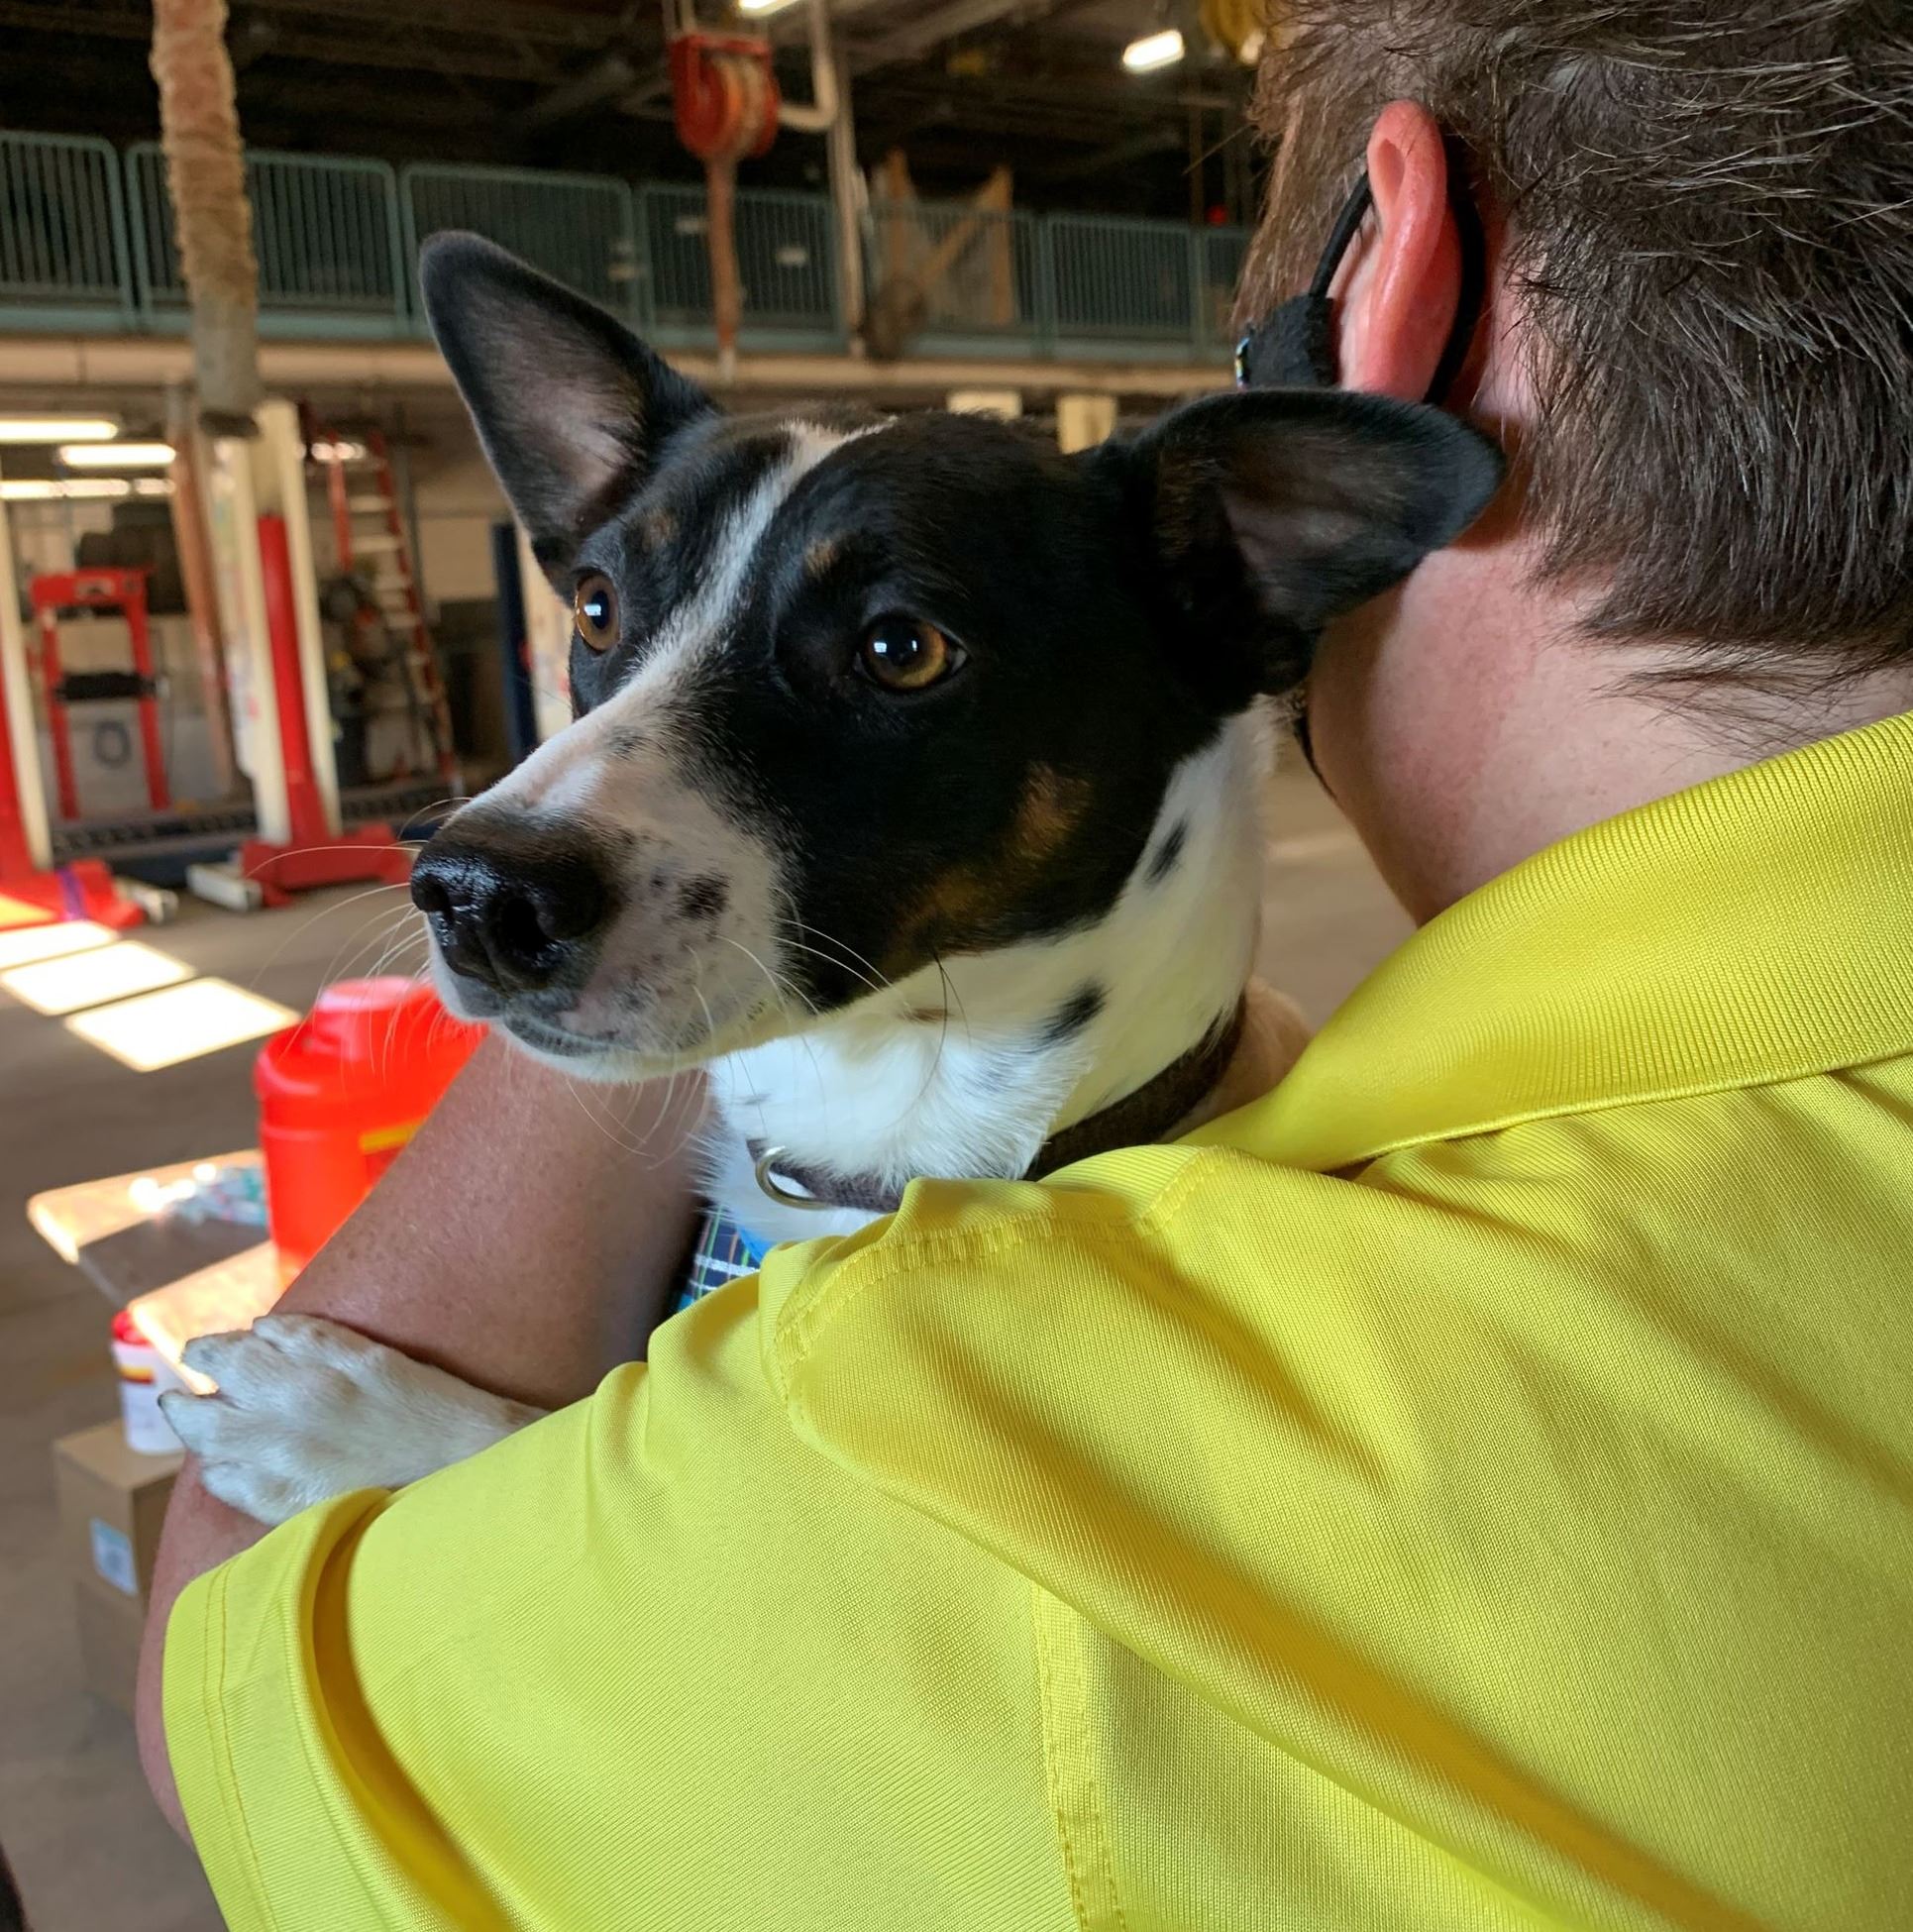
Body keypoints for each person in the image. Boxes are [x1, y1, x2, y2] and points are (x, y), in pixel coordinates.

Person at [140, 3, 1913, 1925]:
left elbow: (225, 1708)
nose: (511, 820)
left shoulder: (1003, 1448)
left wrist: (479, 1424)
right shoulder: (1407, 1140)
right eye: (605, 605)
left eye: (895, 650)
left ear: (1377, 311)